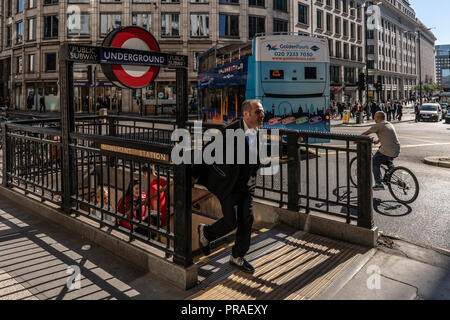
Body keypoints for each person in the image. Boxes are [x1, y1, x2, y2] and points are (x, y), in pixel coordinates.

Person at [194, 99, 265, 274]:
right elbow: (207, 151)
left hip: (247, 185)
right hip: (229, 186)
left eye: (262, 111)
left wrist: (253, 173)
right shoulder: (230, 132)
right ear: (246, 114)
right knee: (230, 222)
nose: (262, 115)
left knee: (247, 221)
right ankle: (206, 233)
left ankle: (237, 256)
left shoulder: (259, 130)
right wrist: (194, 175)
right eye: (258, 112)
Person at [362, 111, 400, 191]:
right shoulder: (388, 124)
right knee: (382, 155)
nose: (374, 118)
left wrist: (356, 140)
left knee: (375, 161)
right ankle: (391, 167)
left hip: (388, 149)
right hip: (396, 149)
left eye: (375, 117)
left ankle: (378, 183)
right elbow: (386, 134)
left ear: (378, 118)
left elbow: (366, 133)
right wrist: (378, 141)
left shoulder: (378, 125)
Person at [142, 164, 168, 234]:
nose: (144, 177)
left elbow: (156, 209)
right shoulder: (163, 181)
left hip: (156, 222)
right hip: (165, 218)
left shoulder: (153, 187)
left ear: (146, 173)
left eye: (143, 175)